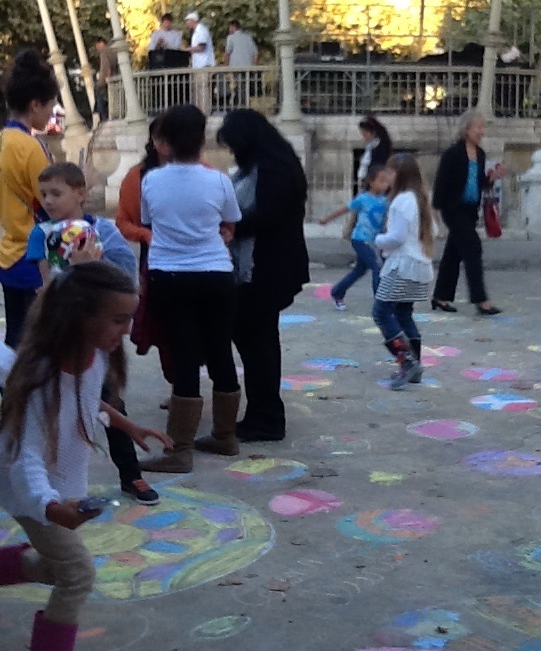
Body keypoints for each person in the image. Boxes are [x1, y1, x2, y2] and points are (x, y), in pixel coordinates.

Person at [0, 262, 171, 651]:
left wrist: (125, 423)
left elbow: (88, 398)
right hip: (30, 491)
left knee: (53, 567)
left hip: (58, 489)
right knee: (76, 575)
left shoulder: (92, 357)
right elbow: (24, 457)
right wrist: (50, 507)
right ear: (79, 316)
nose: (127, 329)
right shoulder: (40, 375)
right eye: (117, 319)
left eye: (129, 318)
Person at [26, 162, 159, 505]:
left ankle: (132, 475)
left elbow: (123, 275)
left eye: (57, 193)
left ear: (81, 193)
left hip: (97, 334)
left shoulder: (103, 231)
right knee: (56, 407)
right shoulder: (42, 234)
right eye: (44, 195)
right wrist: (74, 273)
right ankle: (49, 490)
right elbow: (46, 287)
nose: (49, 201)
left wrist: (92, 268)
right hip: (60, 335)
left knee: (109, 399)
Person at [141, 105, 241, 472]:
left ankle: (179, 449)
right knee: (220, 354)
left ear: (164, 142)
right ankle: (225, 436)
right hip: (216, 274)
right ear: (202, 140)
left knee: (185, 359)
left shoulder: (151, 180)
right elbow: (230, 223)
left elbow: (149, 220)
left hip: (169, 274)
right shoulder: (219, 181)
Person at [218, 109, 309, 442]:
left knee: (256, 343)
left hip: (267, 267)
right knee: (260, 341)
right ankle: (264, 412)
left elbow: (269, 215)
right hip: (267, 266)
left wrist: (232, 225)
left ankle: (266, 416)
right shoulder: (271, 164)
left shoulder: (274, 169)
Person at [0, 49, 55, 348]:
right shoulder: (30, 147)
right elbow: (52, 200)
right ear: (35, 104)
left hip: (8, 253)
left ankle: (10, 392)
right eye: (49, 106)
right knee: (37, 343)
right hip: (35, 257)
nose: (50, 113)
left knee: (14, 338)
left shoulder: (4, 141)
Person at [116, 117, 174, 389]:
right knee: (162, 324)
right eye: (160, 138)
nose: (165, 144)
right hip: (154, 260)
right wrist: (146, 235)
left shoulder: (203, 172)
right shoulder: (137, 176)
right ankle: (178, 386)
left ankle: (187, 388)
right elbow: (124, 222)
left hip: (199, 262)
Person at [432, 111, 508, 316]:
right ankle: (480, 299)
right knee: (473, 247)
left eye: (483, 128)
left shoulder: (480, 154)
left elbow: (480, 183)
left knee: (453, 254)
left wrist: (492, 177)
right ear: (466, 129)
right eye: (478, 128)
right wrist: (435, 208)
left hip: (470, 210)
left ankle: (440, 297)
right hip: (453, 209)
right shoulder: (452, 154)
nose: (481, 132)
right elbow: (441, 182)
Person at [372, 153, 434, 390]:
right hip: (419, 265)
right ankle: (415, 365)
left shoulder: (402, 201)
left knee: (381, 312)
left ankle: (407, 363)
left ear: (400, 175)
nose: (387, 175)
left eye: (391, 171)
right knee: (403, 313)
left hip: (402, 265)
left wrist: (377, 239)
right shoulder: (419, 198)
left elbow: (397, 237)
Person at [319, 164, 389, 310]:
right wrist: (326, 219)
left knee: (360, 270)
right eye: (381, 180)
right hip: (361, 239)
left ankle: (337, 292)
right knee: (379, 267)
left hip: (375, 241)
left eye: (386, 181)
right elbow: (344, 209)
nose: (385, 184)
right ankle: (381, 305)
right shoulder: (363, 199)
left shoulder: (386, 201)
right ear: (371, 181)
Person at [356, 115, 392, 191]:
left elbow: (378, 166)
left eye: (365, 134)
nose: (363, 137)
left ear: (373, 133)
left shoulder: (381, 147)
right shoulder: (370, 146)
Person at [93, 36, 118, 123]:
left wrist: (106, 78)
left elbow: (106, 66)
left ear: (100, 43)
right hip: (115, 77)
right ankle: (98, 110)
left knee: (99, 94)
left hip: (104, 80)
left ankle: (101, 115)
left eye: (97, 46)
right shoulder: (113, 50)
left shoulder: (104, 52)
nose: (97, 48)